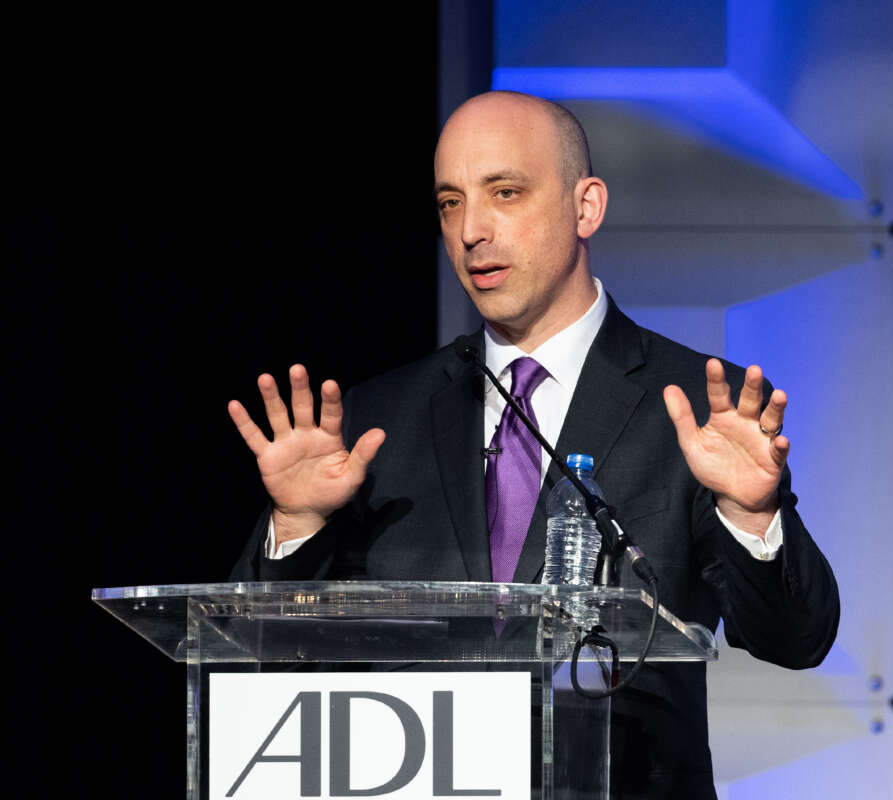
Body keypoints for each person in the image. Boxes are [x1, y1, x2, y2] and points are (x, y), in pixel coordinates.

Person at [227, 91, 839, 798]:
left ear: (587, 207)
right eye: (449, 203)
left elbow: (797, 640)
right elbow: (261, 663)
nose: (471, 231)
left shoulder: (698, 411)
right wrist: (300, 529)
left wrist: (755, 520)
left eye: (506, 193)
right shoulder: (377, 420)